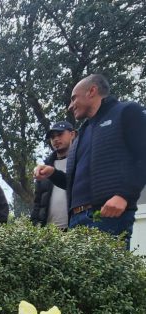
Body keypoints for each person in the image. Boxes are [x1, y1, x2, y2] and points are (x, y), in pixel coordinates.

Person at [34, 74, 146, 247]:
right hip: (76, 220)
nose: (71, 106)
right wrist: (53, 173)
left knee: (106, 274)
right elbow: (73, 183)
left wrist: (124, 195)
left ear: (92, 91)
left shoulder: (126, 112)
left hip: (107, 216)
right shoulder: (82, 133)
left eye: (74, 98)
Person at [30, 121, 76, 229]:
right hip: (49, 234)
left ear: (72, 134)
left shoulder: (80, 163)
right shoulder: (44, 168)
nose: (55, 139)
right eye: (52, 137)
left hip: (76, 229)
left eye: (60, 134)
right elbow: (37, 203)